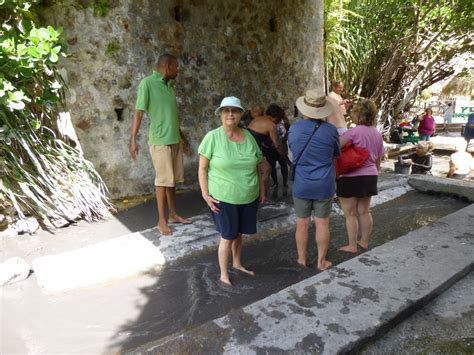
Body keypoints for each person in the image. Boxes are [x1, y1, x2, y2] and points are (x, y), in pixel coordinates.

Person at [198, 96, 267, 286]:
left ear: (240, 115)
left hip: (248, 195)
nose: (230, 114)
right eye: (226, 110)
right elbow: (202, 169)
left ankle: (237, 263)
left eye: (234, 111)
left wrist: (262, 189)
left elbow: (258, 165)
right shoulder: (212, 137)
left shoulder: (249, 137)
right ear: (220, 114)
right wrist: (205, 194)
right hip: (224, 197)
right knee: (227, 236)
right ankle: (223, 274)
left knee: (239, 234)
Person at [130, 53, 192, 236]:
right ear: (167, 67)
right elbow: (139, 113)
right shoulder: (147, 84)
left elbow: (171, 115)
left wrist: (183, 138)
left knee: (171, 181)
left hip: (174, 140)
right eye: (176, 67)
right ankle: (161, 221)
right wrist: (133, 140)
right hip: (160, 142)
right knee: (163, 181)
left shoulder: (170, 86)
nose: (178, 70)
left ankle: (173, 215)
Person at [288, 89, 340, 271]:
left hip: (302, 184)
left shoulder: (293, 129)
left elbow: (292, 154)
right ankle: (321, 262)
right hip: (324, 184)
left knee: (302, 224)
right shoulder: (331, 131)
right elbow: (335, 154)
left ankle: (301, 260)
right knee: (322, 223)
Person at [337, 99, 384, 253]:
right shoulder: (377, 134)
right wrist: (374, 175)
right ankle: (363, 242)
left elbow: (335, 148)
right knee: (365, 211)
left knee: (350, 214)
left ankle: (352, 246)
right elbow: (378, 159)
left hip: (351, 177)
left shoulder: (353, 132)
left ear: (357, 114)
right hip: (370, 176)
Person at [247, 105, 283, 188]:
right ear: (276, 117)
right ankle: (262, 194)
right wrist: (283, 156)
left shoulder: (257, 119)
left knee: (259, 170)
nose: (279, 122)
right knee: (267, 169)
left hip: (246, 146)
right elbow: (277, 145)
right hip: (252, 150)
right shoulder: (271, 125)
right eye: (279, 119)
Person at [265, 104, 290, 187]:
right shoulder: (266, 122)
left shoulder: (284, 121)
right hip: (269, 148)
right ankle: (275, 182)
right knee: (271, 166)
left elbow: (289, 131)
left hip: (281, 146)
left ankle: (285, 183)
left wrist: (283, 140)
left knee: (283, 165)